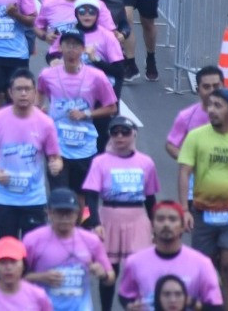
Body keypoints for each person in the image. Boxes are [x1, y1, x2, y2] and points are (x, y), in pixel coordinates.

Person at [176, 89, 228, 311]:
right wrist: (184, 209)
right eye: (210, 105)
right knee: (203, 270)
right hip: (202, 212)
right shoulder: (196, 136)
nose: (211, 110)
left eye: (218, 106)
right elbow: (184, 171)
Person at [0, 68, 64, 240]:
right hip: (4, 197)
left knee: (31, 252)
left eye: (27, 89)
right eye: (18, 89)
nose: (23, 94)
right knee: (8, 251)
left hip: (33, 199)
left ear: (34, 93)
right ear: (10, 92)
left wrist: (56, 165)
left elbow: (55, 156)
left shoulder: (45, 123)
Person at [82, 116, 159, 311]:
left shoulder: (146, 163)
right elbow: (91, 195)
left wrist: (155, 226)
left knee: (139, 269)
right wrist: (95, 223)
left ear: (133, 134)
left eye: (124, 132)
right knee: (109, 270)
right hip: (109, 216)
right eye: (115, 132)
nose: (119, 136)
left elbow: (150, 198)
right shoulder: (100, 162)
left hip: (136, 217)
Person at [38, 30, 119, 199]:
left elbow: (111, 107)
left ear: (83, 49)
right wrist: (40, 112)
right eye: (67, 44)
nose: (71, 49)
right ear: (60, 47)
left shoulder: (96, 77)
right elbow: (38, 99)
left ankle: (78, 225)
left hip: (85, 145)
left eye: (75, 45)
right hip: (56, 145)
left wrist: (86, 114)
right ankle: (59, 224)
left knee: (80, 196)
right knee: (59, 194)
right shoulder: (47, 75)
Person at [114, 203, 223, 311]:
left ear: (182, 226)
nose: (166, 224)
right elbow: (125, 295)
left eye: (172, 219)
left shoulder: (202, 264)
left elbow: (216, 306)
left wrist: (192, 303)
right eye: (160, 219)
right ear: (152, 225)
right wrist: (130, 306)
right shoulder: (134, 262)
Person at [22, 187, 115, 311]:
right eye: (60, 212)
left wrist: (103, 275)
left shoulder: (91, 240)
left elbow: (111, 277)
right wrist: (41, 277)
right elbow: (14, 279)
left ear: (77, 214)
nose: (65, 218)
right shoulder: (32, 240)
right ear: (49, 212)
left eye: (69, 212)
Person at [164, 65, 228, 160]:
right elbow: (171, 145)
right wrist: (190, 161)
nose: (212, 91)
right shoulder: (186, 116)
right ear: (198, 90)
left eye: (216, 86)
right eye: (206, 87)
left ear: (223, 86)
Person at [0, 236, 54, 311]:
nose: (8, 267)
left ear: (23, 265)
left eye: (13, 262)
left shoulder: (38, 296)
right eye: (2, 262)